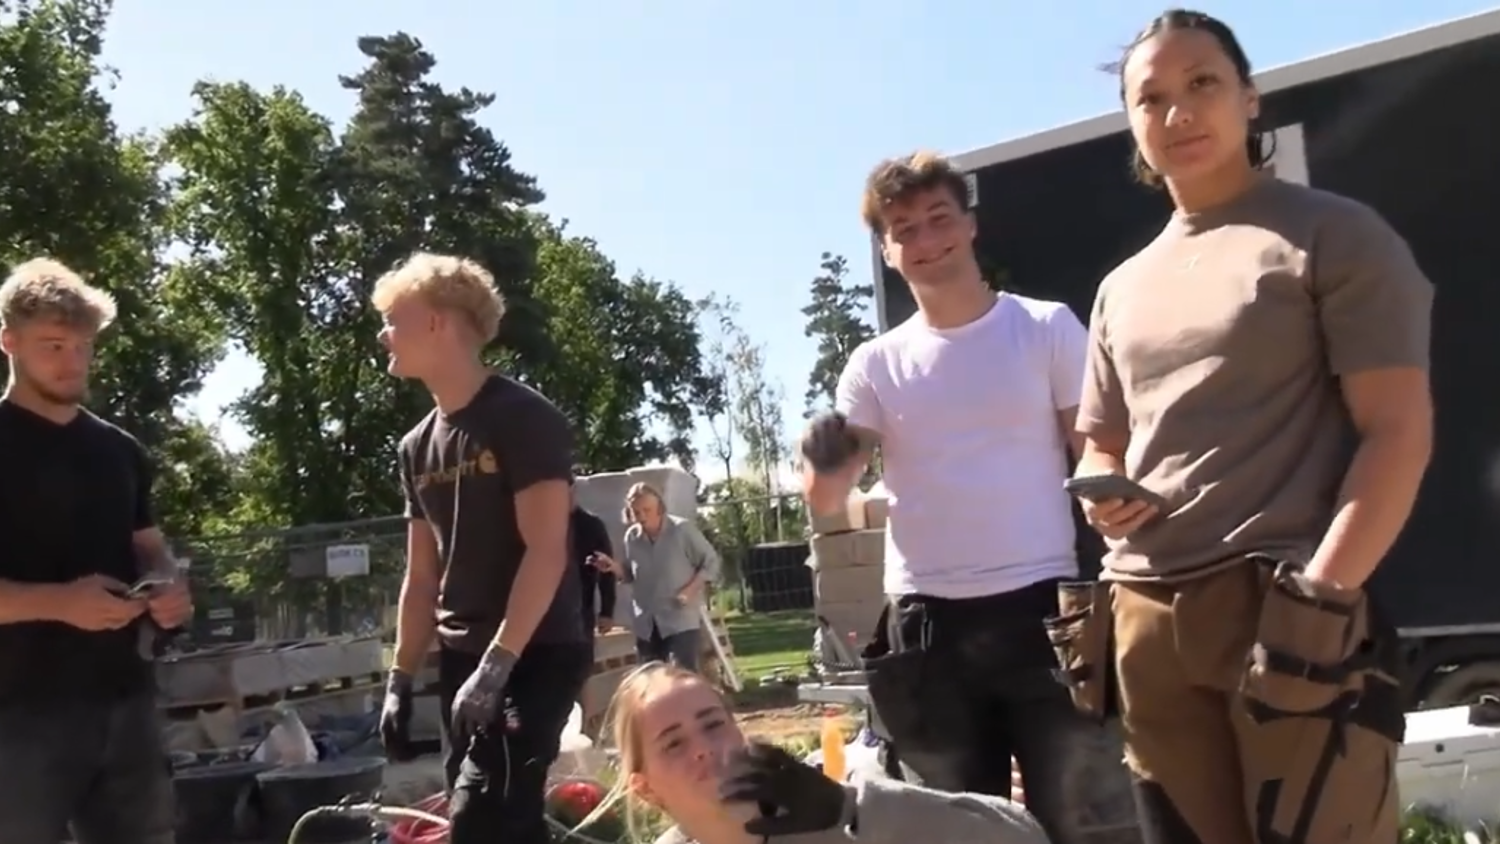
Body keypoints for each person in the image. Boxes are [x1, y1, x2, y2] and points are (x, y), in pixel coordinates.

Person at [1071, 10, 1432, 844]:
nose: (1178, 112)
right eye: (1151, 97)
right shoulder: (1121, 288)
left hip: (1284, 604)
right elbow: (1102, 440)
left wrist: (1325, 599)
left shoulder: (1332, 236)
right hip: (1143, 620)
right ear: (1131, 126)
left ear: (1251, 99)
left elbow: (1398, 433)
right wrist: (1101, 491)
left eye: (1202, 84)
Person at [799, 152, 1139, 844]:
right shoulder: (875, 364)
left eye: (938, 219)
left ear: (971, 225)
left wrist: (1125, 542)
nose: (926, 241)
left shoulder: (1045, 328)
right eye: (904, 230)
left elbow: (1096, 451)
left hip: (1046, 611)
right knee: (953, 831)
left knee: (1088, 825)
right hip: (927, 627)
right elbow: (829, 494)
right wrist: (823, 462)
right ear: (888, 251)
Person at [372, 253, 592, 844]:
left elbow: (546, 552)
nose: (383, 332)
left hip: (536, 652)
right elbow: (421, 577)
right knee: (486, 817)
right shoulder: (415, 447)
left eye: (394, 317)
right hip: (463, 655)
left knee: (484, 814)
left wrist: (497, 670)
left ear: (438, 323)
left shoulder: (524, 418)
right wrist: (400, 679)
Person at [0, 258, 194, 844]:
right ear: (8, 341)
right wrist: (60, 603)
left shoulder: (120, 450)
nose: (73, 362)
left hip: (125, 705)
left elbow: (152, 551)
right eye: (53, 345)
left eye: (83, 346)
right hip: (15, 715)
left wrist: (168, 589)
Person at [578, 661, 1052, 844]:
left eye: (713, 725)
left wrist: (848, 807)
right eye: (674, 743)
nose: (704, 749)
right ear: (646, 789)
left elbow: (1024, 839)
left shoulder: (828, 814)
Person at [596, 482, 721, 672]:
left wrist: (690, 590)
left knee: (680, 679)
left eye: (647, 510)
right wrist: (613, 567)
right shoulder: (632, 537)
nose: (642, 517)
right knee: (651, 683)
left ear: (660, 507)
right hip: (646, 624)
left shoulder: (681, 530)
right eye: (636, 512)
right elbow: (631, 574)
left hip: (679, 620)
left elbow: (711, 562)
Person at [571, 482, 619, 635]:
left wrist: (606, 612)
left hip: (581, 610)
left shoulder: (591, 525)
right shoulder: (542, 524)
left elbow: (607, 570)